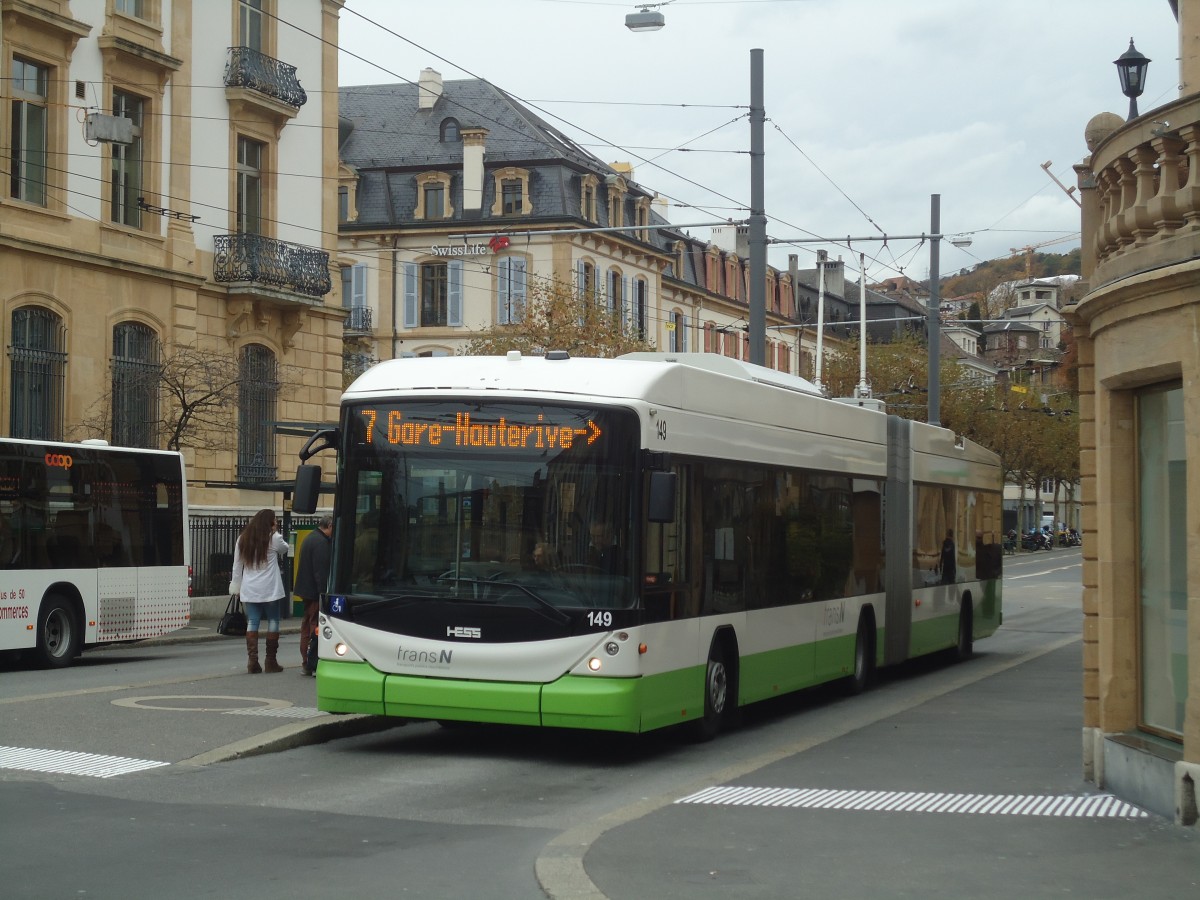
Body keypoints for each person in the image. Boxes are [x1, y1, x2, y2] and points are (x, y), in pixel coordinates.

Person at [229, 508, 290, 674]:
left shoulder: (243, 538)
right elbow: (286, 548)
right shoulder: (274, 538)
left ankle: (252, 661)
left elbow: (237, 565)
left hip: (250, 587)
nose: (276, 522)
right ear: (268, 522)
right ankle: (271, 661)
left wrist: (236, 585)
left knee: (253, 621)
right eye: (275, 520)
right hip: (270, 587)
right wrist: (275, 532)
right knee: (273, 620)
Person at [293, 515, 332, 676]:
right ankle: (310, 662)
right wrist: (324, 594)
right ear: (329, 525)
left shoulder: (310, 537)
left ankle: (306, 661)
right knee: (314, 627)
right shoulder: (321, 543)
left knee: (307, 626)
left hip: (305, 589)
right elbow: (321, 572)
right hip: (315, 592)